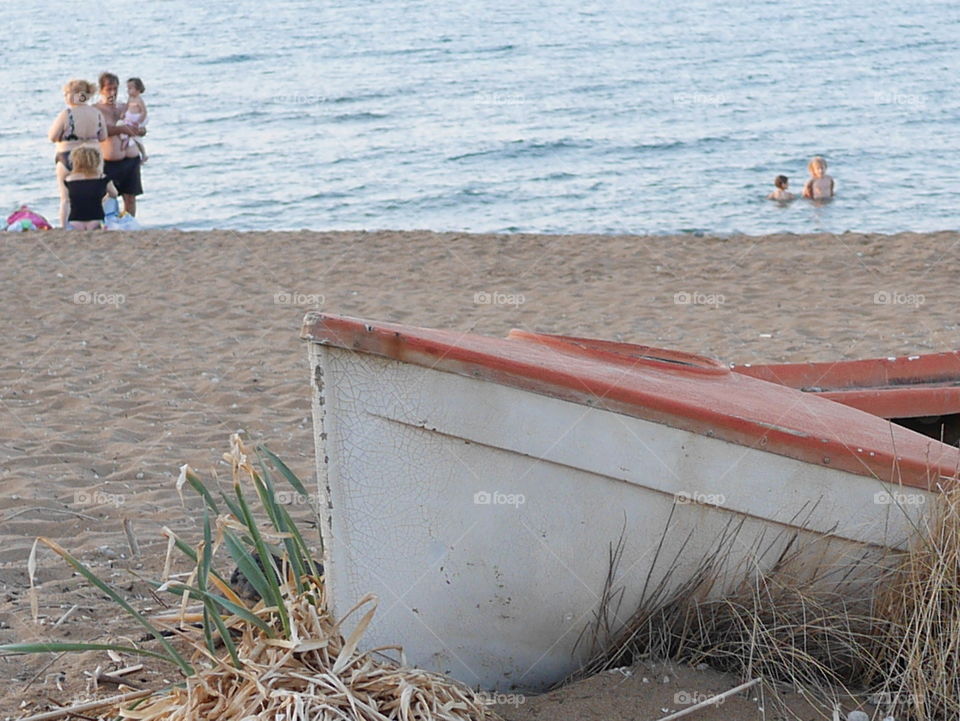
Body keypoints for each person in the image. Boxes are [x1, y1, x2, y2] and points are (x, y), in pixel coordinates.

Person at [48, 79, 108, 228]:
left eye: (66, 94)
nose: (65, 97)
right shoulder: (97, 113)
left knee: (66, 197)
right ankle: (98, 222)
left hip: (67, 154)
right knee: (95, 195)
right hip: (93, 157)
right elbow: (103, 137)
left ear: (74, 95)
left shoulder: (67, 114)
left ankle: (64, 226)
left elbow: (52, 136)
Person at [94, 72, 146, 217]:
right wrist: (120, 129)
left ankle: (129, 224)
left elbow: (139, 123)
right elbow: (99, 131)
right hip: (109, 161)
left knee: (130, 198)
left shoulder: (125, 106)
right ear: (101, 90)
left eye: (115, 89)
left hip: (130, 159)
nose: (113, 92)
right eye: (109, 89)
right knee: (107, 198)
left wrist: (140, 130)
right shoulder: (96, 109)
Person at [63, 146, 117, 230]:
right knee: (113, 201)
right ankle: (112, 221)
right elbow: (114, 194)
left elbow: (66, 201)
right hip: (96, 219)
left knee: (68, 202)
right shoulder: (102, 178)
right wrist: (104, 199)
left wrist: (64, 224)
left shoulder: (69, 179)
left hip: (75, 220)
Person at [119, 77, 148, 162]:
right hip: (129, 118)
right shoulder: (130, 98)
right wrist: (123, 113)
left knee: (137, 138)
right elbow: (126, 106)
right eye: (127, 88)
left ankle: (143, 154)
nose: (128, 91)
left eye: (131, 88)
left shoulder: (139, 100)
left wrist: (139, 122)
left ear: (138, 90)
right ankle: (125, 142)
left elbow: (144, 112)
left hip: (136, 119)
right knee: (123, 129)